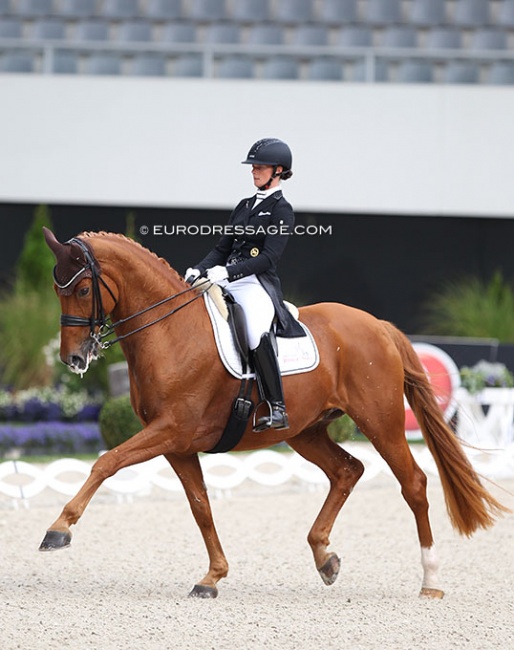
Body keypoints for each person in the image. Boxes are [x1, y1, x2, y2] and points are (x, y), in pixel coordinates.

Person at [186, 137, 305, 432]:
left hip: (255, 283)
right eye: (253, 166)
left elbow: (268, 258)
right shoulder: (244, 205)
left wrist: (227, 273)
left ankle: (277, 407)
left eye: (260, 167)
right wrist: (198, 269)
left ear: (278, 171)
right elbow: (222, 247)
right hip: (225, 278)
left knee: (254, 332)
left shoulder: (282, 210)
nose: (253, 171)